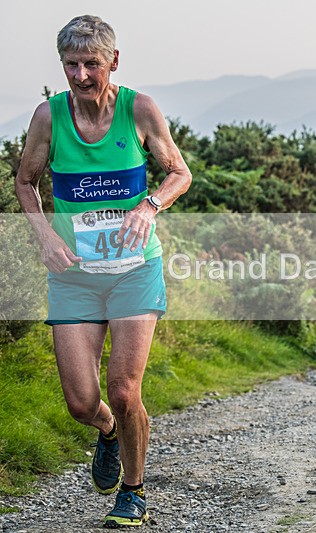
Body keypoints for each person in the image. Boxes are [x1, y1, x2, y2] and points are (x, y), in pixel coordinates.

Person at [15, 15, 191, 527]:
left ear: (114, 62)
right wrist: (45, 235)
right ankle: (108, 431)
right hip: (73, 274)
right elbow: (26, 182)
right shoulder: (48, 118)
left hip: (134, 270)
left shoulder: (139, 109)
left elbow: (179, 172)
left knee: (123, 387)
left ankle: (133, 492)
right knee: (81, 402)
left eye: (92, 63)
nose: (81, 74)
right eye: (71, 64)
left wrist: (148, 207)